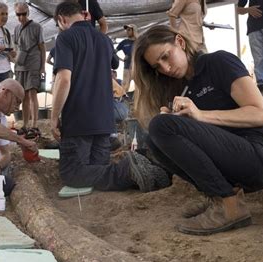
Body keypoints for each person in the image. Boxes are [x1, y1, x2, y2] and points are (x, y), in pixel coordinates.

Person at [132, 25, 263, 235]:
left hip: (261, 157)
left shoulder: (218, 63)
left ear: (180, 42)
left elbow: (261, 114)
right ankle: (222, 198)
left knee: (160, 126)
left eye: (166, 57)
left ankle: (227, 205)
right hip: (232, 161)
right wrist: (175, 119)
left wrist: (200, 115)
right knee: (153, 138)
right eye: (157, 66)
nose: (165, 68)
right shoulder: (180, 87)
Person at [51, 2, 170, 192]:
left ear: (62, 20)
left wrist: (53, 116)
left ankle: (128, 170)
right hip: (104, 121)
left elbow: (64, 79)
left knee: (71, 173)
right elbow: (114, 63)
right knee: (98, 170)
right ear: (85, 15)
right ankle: (145, 166)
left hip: (78, 120)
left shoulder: (65, 38)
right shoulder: (104, 40)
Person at [13, 2, 46, 138]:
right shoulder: (16, 28)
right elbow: (16, 48)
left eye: (23, 14)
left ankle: (34, 125)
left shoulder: (37, 27)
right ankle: (25, 125)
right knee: (23, 96)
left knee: (32, 94)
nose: (21, 17)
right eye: (18, 14)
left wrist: (43, 66)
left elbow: (42, 47)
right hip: (20, 65)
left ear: (28, 13)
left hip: (34, 63)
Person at [115, 24, 138, 92]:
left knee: (139, 88)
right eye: (126, 30)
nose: (127, 31)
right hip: (127, 68)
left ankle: (137, 102)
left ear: (134, 30)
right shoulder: (124, 42)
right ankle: (122, 101)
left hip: (138, 68)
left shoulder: (139, 41)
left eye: (129, 30)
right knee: (125, 86)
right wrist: (121, 59)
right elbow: (113, 52)